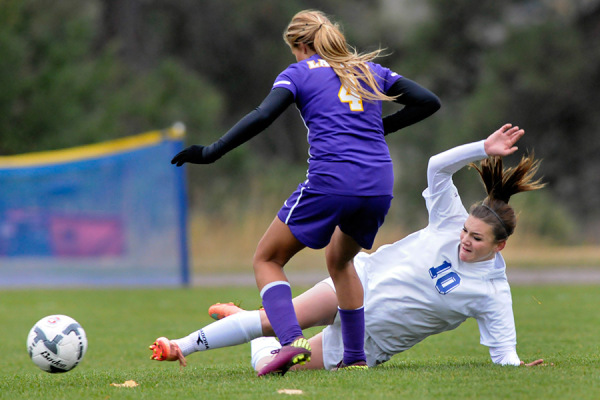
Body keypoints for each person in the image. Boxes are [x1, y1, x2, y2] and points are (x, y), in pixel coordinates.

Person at [159, 9, 441, 375]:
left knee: (267, 259)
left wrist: (211, 151)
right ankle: (355, 360)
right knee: (341, 262)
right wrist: (375, 132)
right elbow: (428, 101)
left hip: (332, 180)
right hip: (377, 184)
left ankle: (291, 342)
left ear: (302, 44)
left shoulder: (298, 73)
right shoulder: (368, 71)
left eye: (293, 49)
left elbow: (262, 116)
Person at [150, 123, 545, 372]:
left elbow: (503, 355)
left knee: (269, 368)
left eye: (476, 239)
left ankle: (252, 330)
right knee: (276, 321)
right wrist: (482, 147)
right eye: (465, 231)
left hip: (371, 342)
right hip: (357, 283)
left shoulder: (493, 293)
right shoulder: (448, 221)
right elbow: (436, 166)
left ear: (500, 246)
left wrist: (520, 366)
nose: (464, 240)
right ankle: (178, 345)